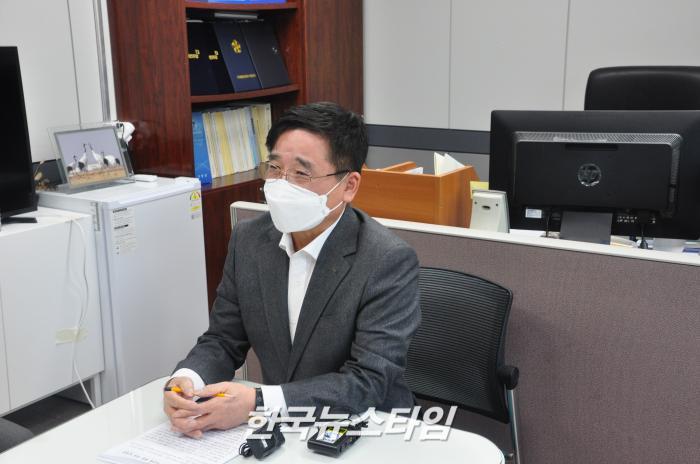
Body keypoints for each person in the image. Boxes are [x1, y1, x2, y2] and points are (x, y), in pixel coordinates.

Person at [164, 102, 421, 438]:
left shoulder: (386, 260)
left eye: (301, 173)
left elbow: (367, 381)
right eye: (274, 168)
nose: (282, 184)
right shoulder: (249, 240)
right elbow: (223, 339)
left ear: (349, 186)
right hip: (285, 432)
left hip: (368, 429)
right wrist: (186, 381)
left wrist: (258, 403)